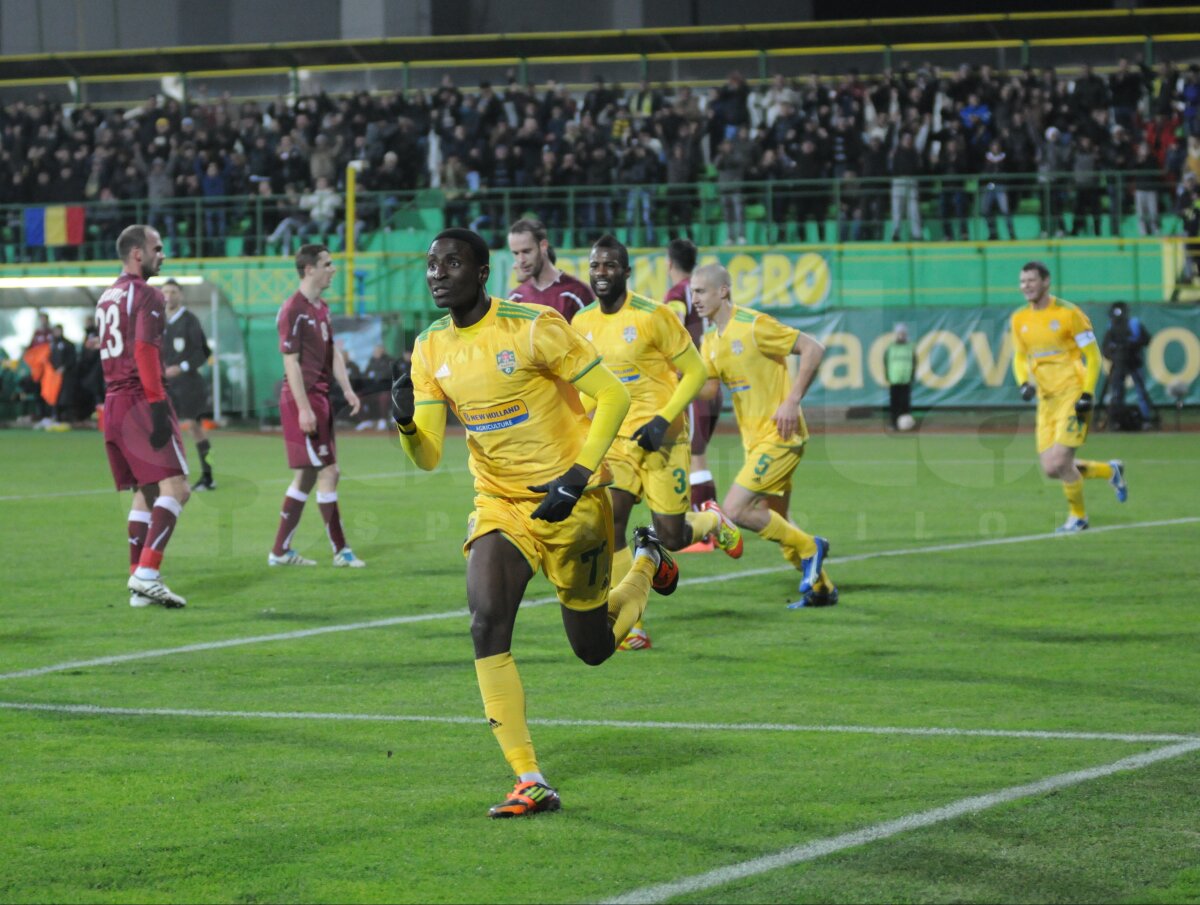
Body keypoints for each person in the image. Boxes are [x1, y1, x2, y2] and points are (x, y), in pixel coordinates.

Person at [392, 227, 676, 818]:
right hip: (501, 503)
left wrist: (577, 476)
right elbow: (429, 458)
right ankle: (530, 777)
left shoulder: (532, 325)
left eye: (452, 263)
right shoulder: (429, 348)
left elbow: (613, 397)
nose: (438, 274)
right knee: (484, 622)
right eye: (431, 265)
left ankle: (647, 560)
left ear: (483, 272)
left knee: (594, 648)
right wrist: (405, 426)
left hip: (573, 503)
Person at [575, 234, 742, 651]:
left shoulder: (654, 316)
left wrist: (663, 419)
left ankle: (712, 521)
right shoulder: (582, 325)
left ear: (626, 272)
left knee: (673, 536)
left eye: (610, 265)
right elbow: (586, 389)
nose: (601, 273)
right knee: (609, 520)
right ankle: (631, 622)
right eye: (595, 266)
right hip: (617, 441)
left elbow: (696, 373)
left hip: (664, 439)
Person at [691, 263, 838, 608]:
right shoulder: (710, 340)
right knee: (779, 521)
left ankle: (810, 547)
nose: (694, 299)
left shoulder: (754, 325)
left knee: (735, 510)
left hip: (781, 436)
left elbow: (813, 348)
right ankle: (822, 590)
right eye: (692, 292)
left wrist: (792, 400)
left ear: (723, 291)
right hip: (755, 443)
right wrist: (672, 375)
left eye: (701, 291)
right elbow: (709, 390)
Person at [96, 225, 190, 608]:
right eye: (157, 248)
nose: (162, 255)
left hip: (113, 402)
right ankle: (147, 573)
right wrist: (155, 406)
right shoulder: (147, 294)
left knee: (146, 492)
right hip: (139, 399)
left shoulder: (106, 296)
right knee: (178, 489)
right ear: (138, 253)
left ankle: (139, 584)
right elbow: (145, 351)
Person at [268, 244, 366, 568]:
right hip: (304, 398)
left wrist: (347, 388)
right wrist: (303, 409)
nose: (333, 269)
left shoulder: (321, 307)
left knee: (308, 478)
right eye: (327, 263)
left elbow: (333, 351)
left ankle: (280, 551)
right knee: (329, 472)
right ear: (309, 269)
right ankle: (341, 550)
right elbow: (291, 363)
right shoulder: (292, 309)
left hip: (320, 397)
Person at [1011, 261, 1128, 532]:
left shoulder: (1068, 313)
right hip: (1046, 399)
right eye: (1022, 281)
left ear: (1046, 282)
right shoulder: (1019, 318)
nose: (1025, 286)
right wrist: (1022, 383)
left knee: (1062, 460)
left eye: (1031, 280)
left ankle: (1078, 517)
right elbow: (1019, 356)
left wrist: (1088, 392)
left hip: (1073, 394)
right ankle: (1110, 471)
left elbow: (1093, 355)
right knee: (1051, 469)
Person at [663, 238, 722, 548]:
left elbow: (671, 325)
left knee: (695, 458)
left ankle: (708, 532)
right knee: (694, 457)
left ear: (669, 263)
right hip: (712, 380)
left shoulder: (677, 294)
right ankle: (706, 525)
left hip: (691, 384)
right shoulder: (701, 290)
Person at [162, 278, 216, 490]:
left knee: (195, 429)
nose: (169, 295)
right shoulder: (158, 321)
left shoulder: (189, 320)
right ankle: (169, 476)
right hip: (166, 385)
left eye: (173, 292)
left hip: (189, 384)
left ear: (180, 295)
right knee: (161, 429)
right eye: (165, 291)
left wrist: (182, 366)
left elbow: (204, 352)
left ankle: (208, 476)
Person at [505, 218, 594, 322]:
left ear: (543, 246)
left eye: (526, 251)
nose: (521, 260)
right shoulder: (515, 298)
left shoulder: (577, 293)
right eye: (516, 253)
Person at [1101, 302, 1154, 428]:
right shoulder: (1112, 326)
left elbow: (1146, 340)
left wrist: (1131, 347)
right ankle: (1117, 419)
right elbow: (1106, 347)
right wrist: (1115, 355)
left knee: (1139, 390)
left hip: (1133, 361)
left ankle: (1145, 418)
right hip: (1121, 362)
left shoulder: (1134, 324)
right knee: (1117, 391)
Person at [886, 322, 916, 429]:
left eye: (903, 333)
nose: (902, 335)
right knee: (895, 403)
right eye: (900, 333)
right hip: (894, 378)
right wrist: (887, 376)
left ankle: (906, 424)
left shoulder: (910, 347)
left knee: (905, 403)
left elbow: (914, 362)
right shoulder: (891, 347)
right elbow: (886, 362)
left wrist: (912, 376)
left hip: (906, 378)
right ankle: (894, 424)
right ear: (896, 334)